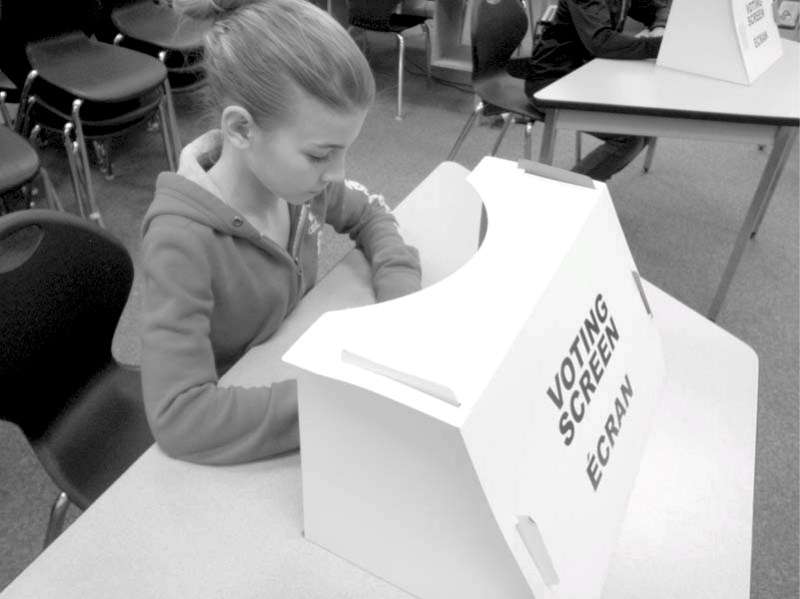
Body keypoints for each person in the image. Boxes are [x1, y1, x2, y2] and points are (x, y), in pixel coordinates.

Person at [140, 0, 422, 465]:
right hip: (240, 417)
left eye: (345, 151)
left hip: (288, 358)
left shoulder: (298, 186)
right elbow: (181, 418)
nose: (338, 173)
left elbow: (371, 214)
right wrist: (334, 398)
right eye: (320, 154)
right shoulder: (181, 241)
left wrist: (400, 303)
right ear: (241, 129)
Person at [519, 0, 670, 182]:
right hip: (552, 82)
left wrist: (660, 25)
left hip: (587, 77)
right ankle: (562, 196)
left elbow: (657, 8)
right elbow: (601, 43)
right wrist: (660, 45)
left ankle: (571, 191)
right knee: (629, 137)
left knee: (647, 123)